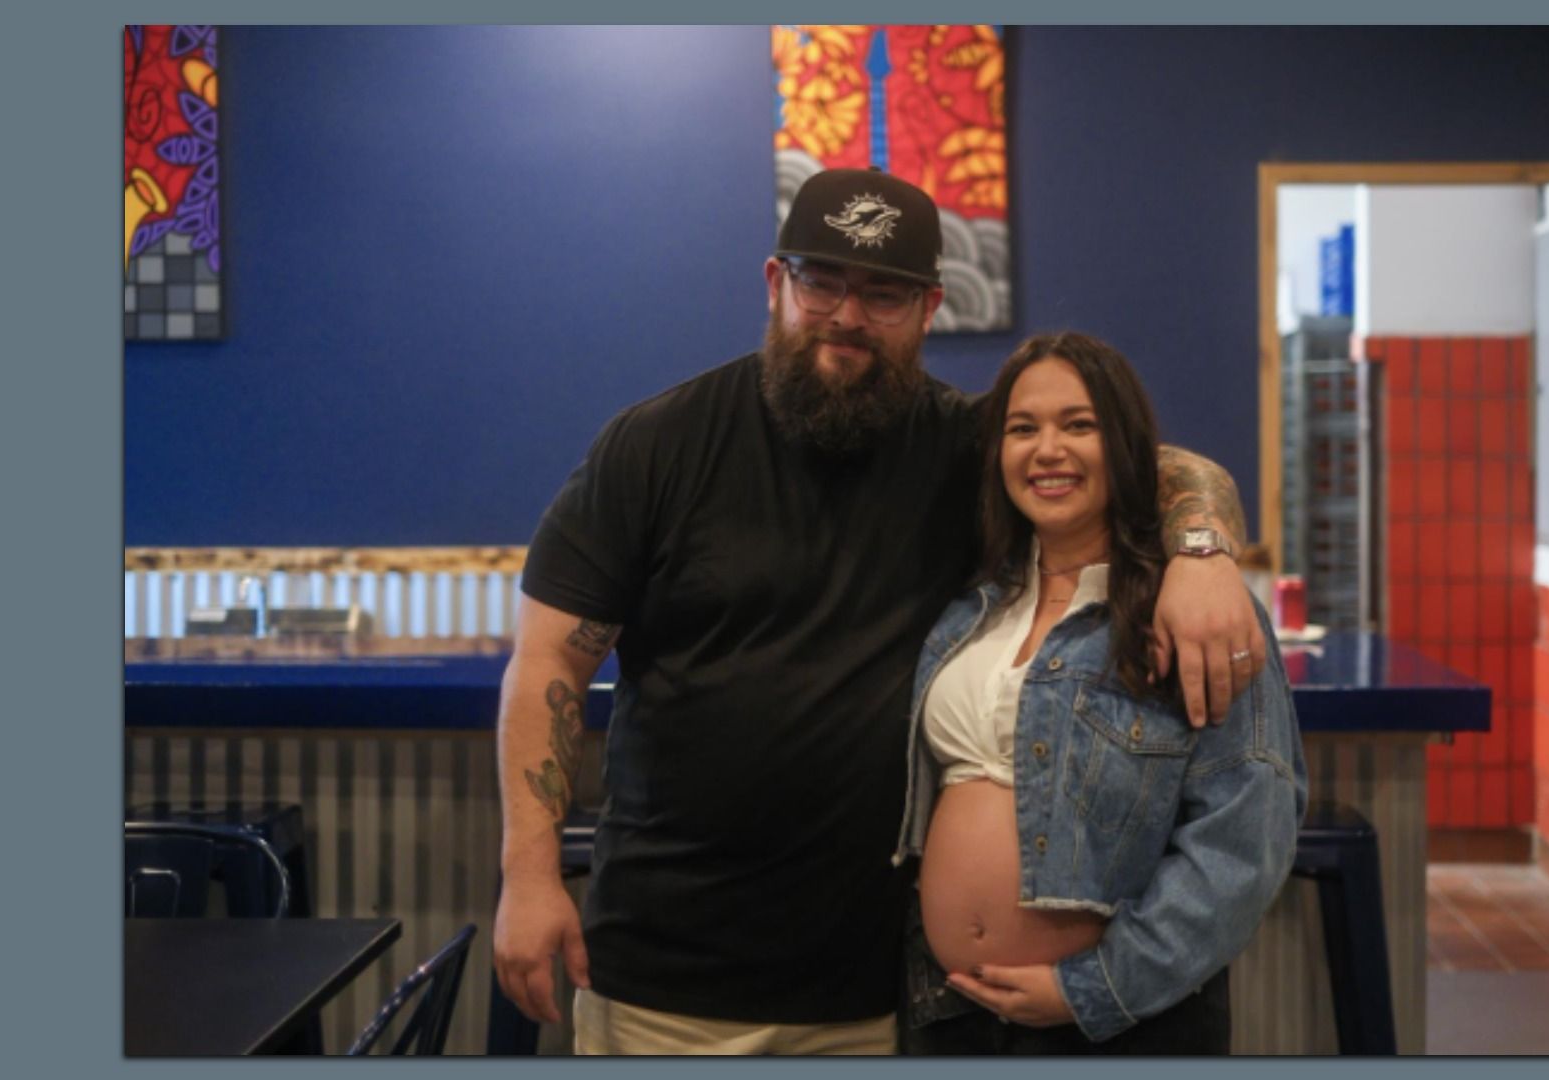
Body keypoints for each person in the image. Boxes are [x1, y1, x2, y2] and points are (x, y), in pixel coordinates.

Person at [492, 167, 1266, 1055]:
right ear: (776, 282)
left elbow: (1140, 460)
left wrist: (1203, 553)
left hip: (877, 998)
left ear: (929, 307)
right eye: (821, 282)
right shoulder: (656, 446)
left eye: (884, 294)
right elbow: (549, 662)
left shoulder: (967, 452)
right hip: (663, 980)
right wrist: (529, 876)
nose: (847, 316)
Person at [895, 332, 1307, 1053]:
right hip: (949, 1012)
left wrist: (1097, 987)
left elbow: (1246, 837)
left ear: (1124, 444)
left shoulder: (1193, 612)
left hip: (1119, 1024)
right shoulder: (970, 608)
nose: (1047, 450)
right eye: (1023, 429)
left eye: (1078, 425)